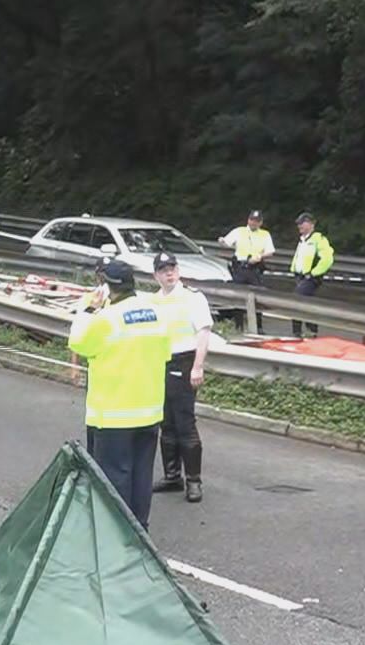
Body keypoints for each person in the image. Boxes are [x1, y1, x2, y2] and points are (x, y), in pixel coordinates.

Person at [68, 259, 170, 526]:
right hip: (149, 412)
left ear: (106, 286)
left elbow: (78, 342)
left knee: (113, 481)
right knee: (141, 477)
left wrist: (88, 309)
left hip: (113, 415)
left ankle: (116, 535)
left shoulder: (106, 319)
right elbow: (165, 353)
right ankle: (140, 531)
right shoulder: (156, 313)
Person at [148, 252, 213, 502]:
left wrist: (198, 366)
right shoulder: (152, 300)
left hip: (184, 362)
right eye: (163, 270)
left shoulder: (192, 297)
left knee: (185, 423)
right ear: (155, 275)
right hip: (159, 364)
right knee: (166, 423)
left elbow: (203, 333)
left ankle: (193, 481)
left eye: (172, 268)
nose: (169, 273)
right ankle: (172, 475)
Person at [289, 211, 334, 337]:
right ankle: (311, 330)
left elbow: (327, 259)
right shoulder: (302, 240)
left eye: (302, 223)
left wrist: (314, 273)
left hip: (310, 278)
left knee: (296, 300)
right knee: (307, 303)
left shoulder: (318, 239)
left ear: (311, 224)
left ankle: (297, 332)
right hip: (300, 277)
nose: (299, 226)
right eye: (298, 224)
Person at [219, 210, 274, 287]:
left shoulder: (265, 234)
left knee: (256, 290)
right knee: (237, 289)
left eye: (256, 221)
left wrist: (259, 256)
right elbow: (226, 243)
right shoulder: (239, 231)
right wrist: (222, 241)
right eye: (252, 220)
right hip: (240, 268)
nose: (253, 223)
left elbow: (270, 252)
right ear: (248, 220)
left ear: (261, 223)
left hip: (255, 269)